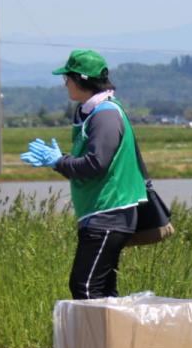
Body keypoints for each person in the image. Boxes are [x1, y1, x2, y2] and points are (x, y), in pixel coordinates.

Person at [20, 49, 148, 299]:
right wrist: (60, 162)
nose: (65, 84)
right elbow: (89, 166)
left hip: (109, 214)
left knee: (85, 287)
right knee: (102, 290)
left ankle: (97, 328)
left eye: (67, 78)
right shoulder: (94, 113)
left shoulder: (106, 115)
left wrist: (59, 161)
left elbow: (95, 164)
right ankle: (109, 326)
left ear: (81, 80)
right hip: (102, 213)